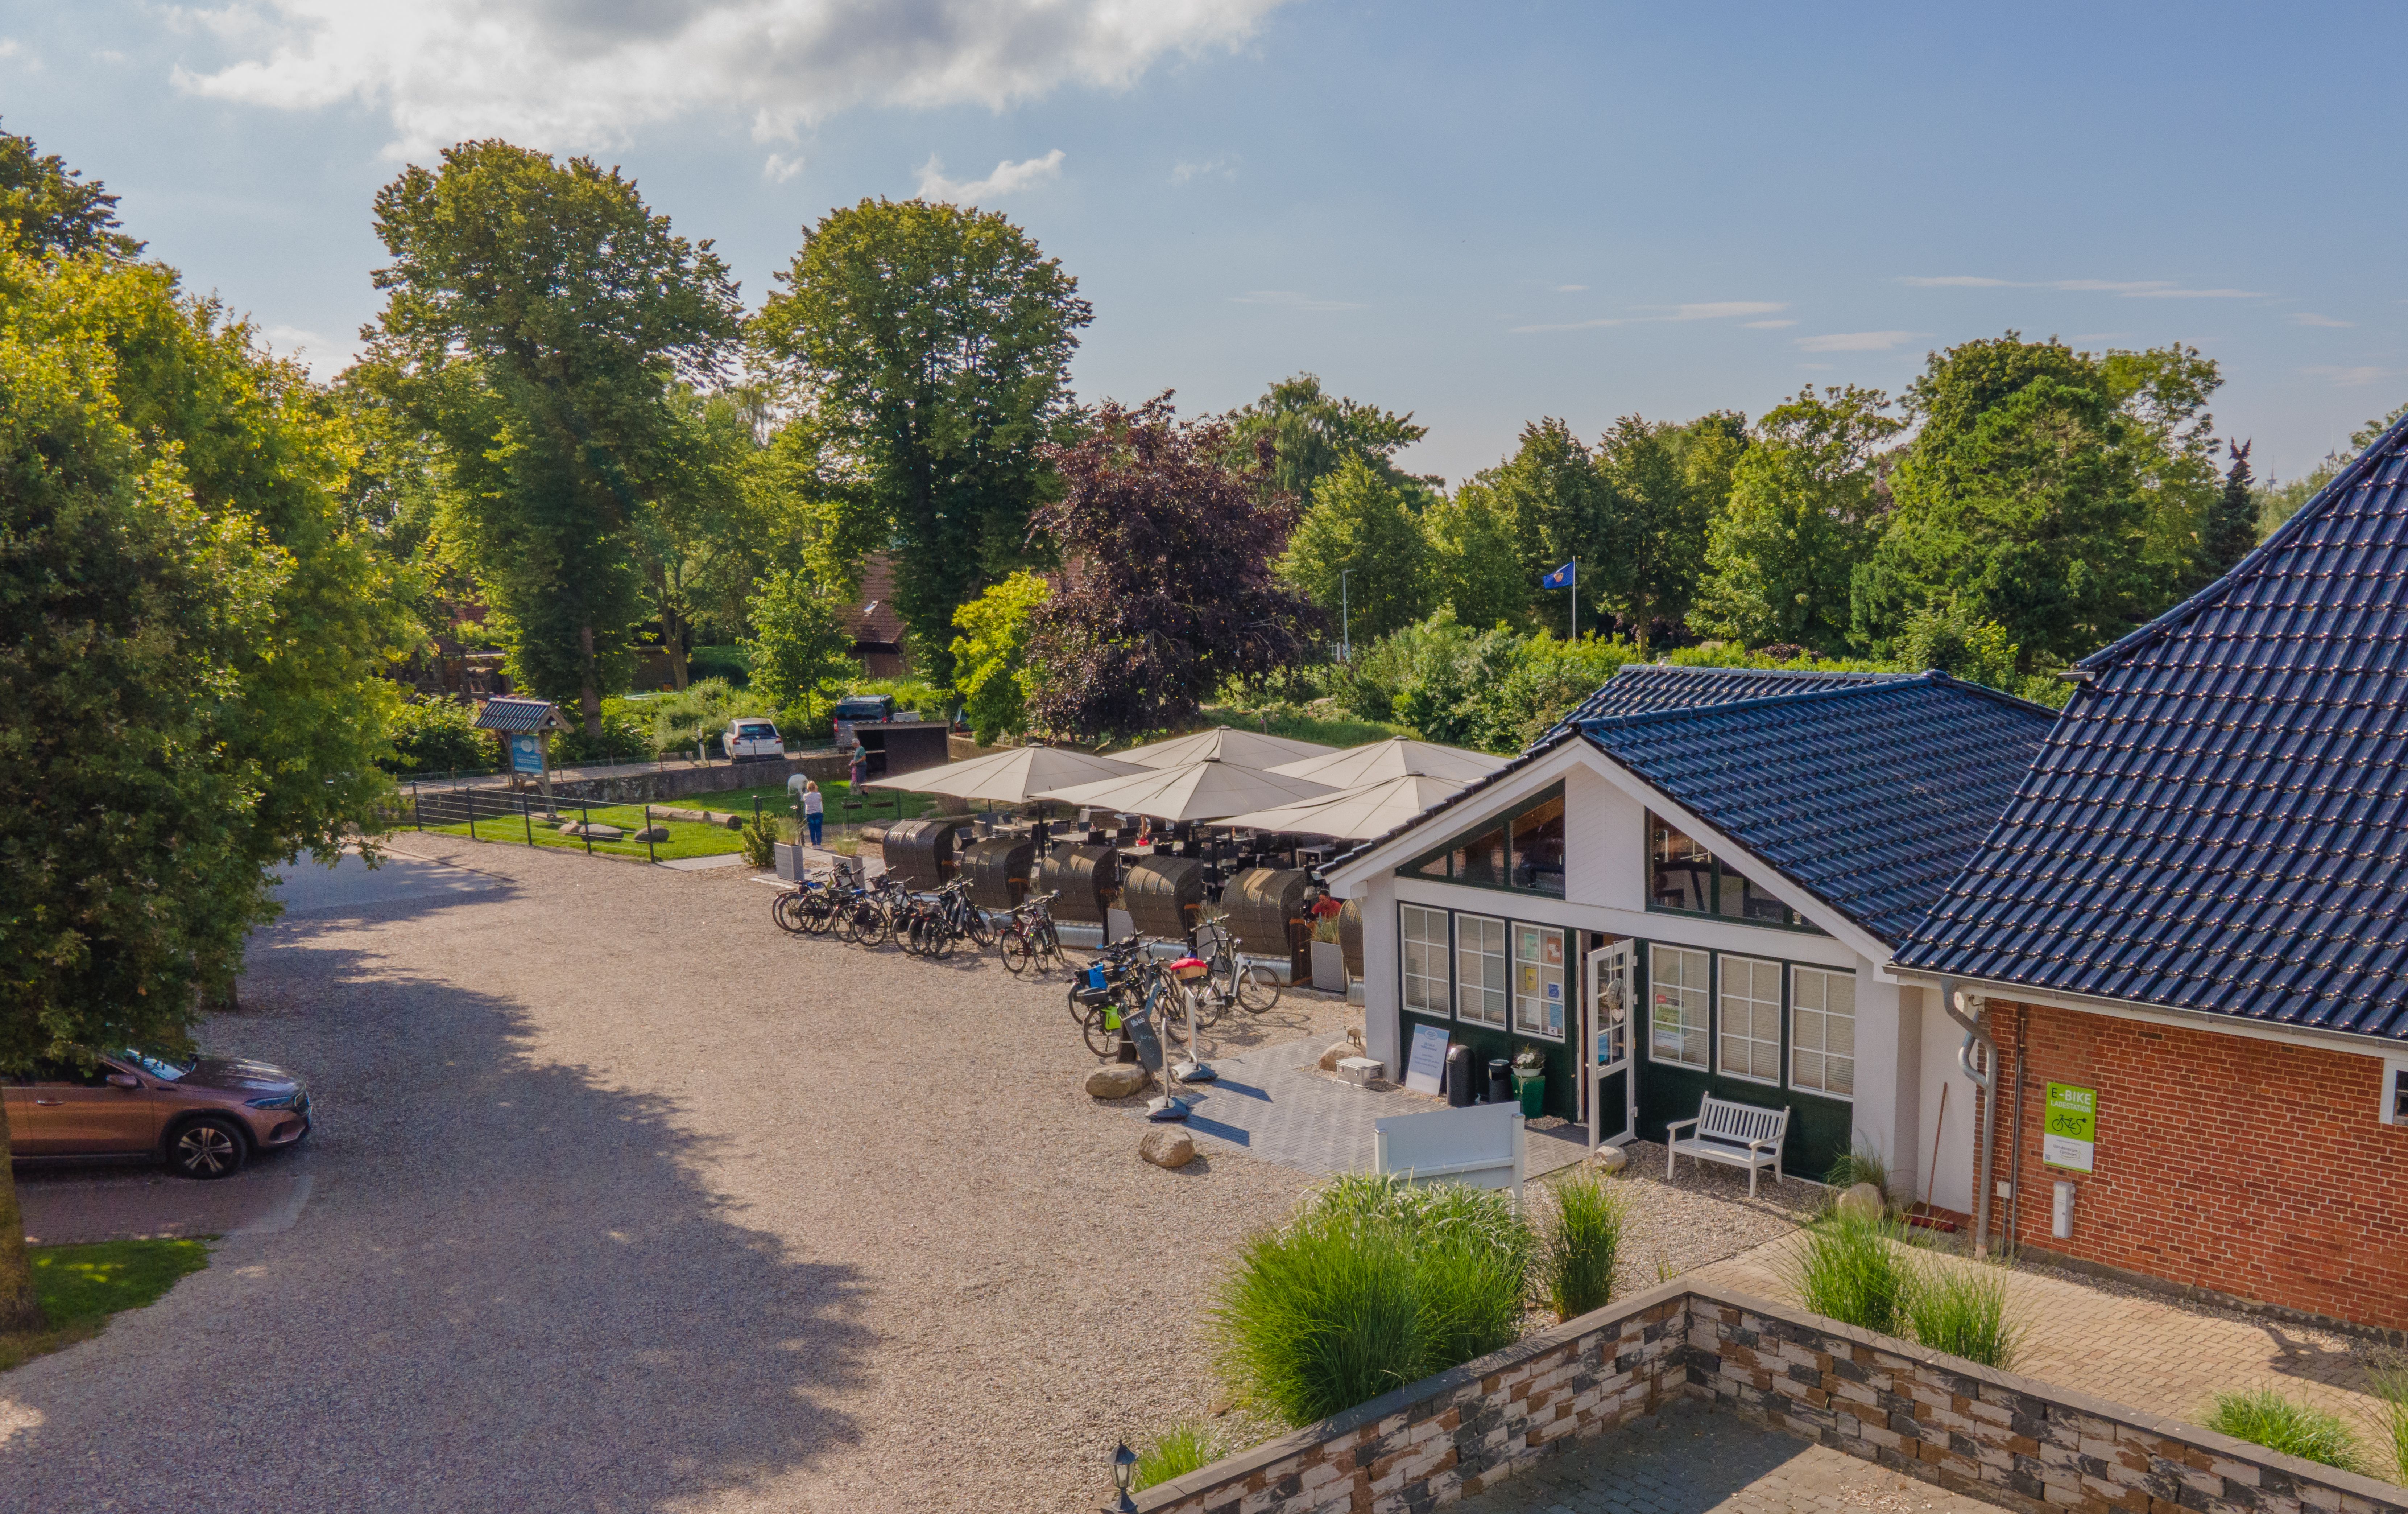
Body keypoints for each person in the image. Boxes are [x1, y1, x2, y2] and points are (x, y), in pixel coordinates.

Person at [798, 780, 824, 846]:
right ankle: (819, 843)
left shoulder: (806, 796)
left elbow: (805, 802)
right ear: (815, 787)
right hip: (818, 813)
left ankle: (814, 843)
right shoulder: (819, 795)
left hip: (810, 814)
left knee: (812, 829)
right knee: (818, 829)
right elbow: (820, 801)